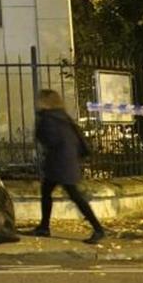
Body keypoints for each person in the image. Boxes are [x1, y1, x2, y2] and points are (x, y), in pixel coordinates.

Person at [30, 89, 106, 244]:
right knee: (48, 192)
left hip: (60, 164)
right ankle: (44, 226)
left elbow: (48, 139)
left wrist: (39, 125)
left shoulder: (49, 118)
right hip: (66, 161)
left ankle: (98, 229)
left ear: (45, 102)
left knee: (75, 197)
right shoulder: (63, 116)